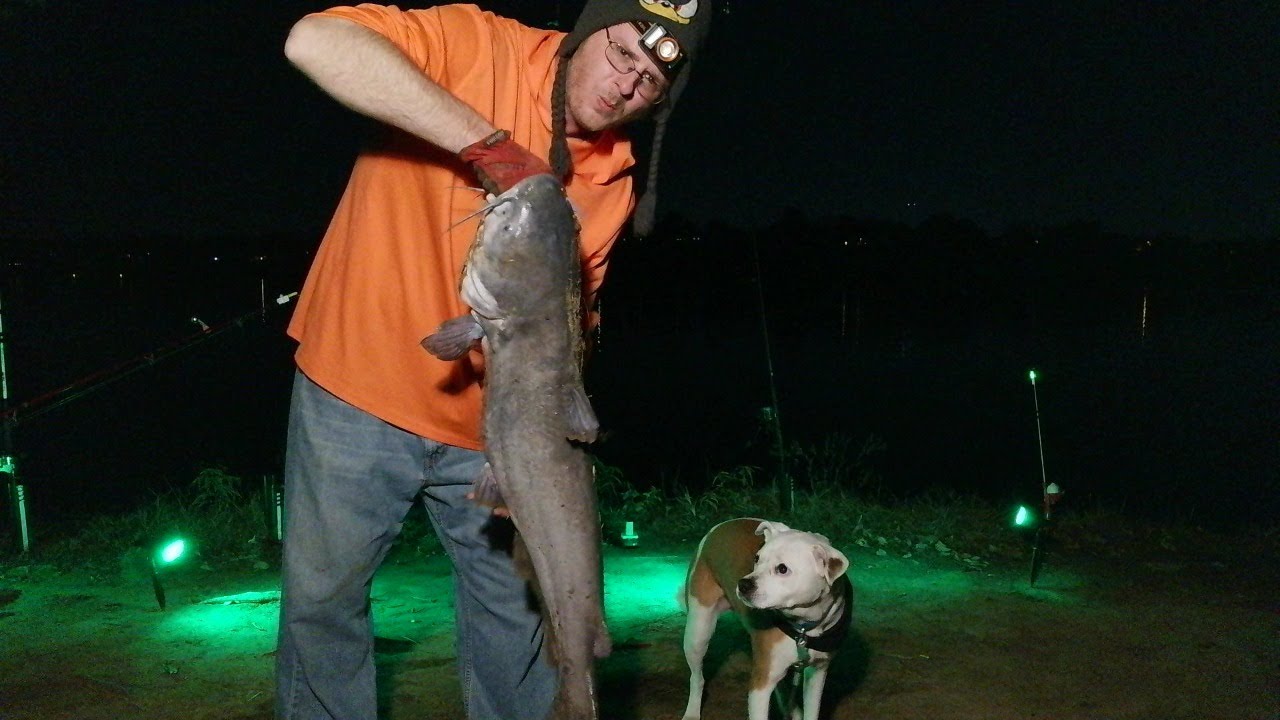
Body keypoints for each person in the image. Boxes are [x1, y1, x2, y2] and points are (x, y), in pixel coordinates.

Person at [273, 2, 713, 719]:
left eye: (654, 80)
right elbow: (313, 41)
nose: (628, 83)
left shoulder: (613, 179)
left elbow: (570, 334)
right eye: (624, 50)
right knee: (323, 606)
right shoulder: (477, 45)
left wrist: (544, 456)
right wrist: (489, 147)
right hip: (354, 385)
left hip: (492, 429)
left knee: (514, 623)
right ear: (588, 28)